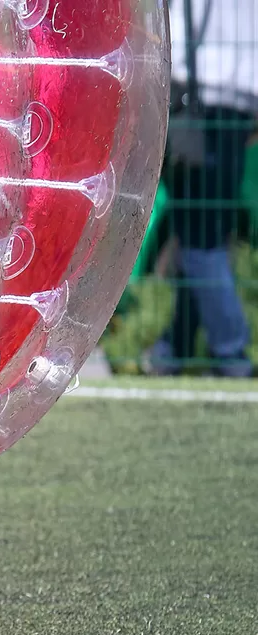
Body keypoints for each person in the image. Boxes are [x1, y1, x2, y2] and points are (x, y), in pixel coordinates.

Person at [146, 0, 257, 377]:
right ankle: (171, 350)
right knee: (207, 234)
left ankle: (232, 352)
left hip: (196, 103)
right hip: (239, 103)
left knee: (198, 242)